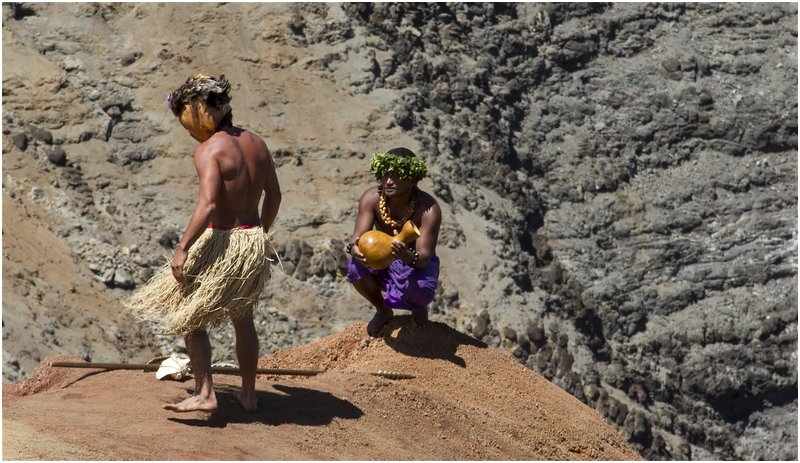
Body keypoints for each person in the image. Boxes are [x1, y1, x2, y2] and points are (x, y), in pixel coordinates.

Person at [126, 74, 281, 413]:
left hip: (221, 242)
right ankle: (249, 395)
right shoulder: (257, 143)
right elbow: (275, 195)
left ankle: (205, 393)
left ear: (198, 114)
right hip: (251, 240)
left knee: (189, 315)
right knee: (243, 318)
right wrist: (260, 234)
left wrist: (183, 248)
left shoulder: (209, 149)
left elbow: (208, 204)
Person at [346, 147, 442, 337]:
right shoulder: (371, 198)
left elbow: (423, 257)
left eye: (397, 176)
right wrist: (353, 249)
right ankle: (382, 310)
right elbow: (357, 238)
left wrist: (406, 256)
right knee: (354, 267)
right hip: (382, 260)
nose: (389, 181)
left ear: (413, 179)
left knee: (421, 290)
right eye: (385, 175)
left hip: (415, 265)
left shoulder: (428, 209)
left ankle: (418, 307)